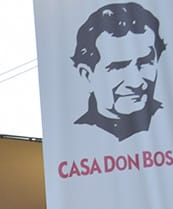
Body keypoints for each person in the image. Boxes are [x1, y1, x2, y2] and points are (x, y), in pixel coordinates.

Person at [71, 2, 166, 141]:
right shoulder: (75, 138)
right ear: (86, 74)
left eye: (145, 62)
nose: (136, 83)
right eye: (118, 67)